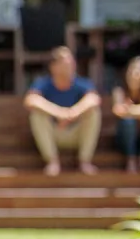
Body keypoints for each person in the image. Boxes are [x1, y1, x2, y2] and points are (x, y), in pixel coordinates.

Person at [23, 46, 103, 176]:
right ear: (53, 67)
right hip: (54, 133)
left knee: (94, 113)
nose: (70, 65)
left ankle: (84, 161)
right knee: (36, 114)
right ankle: (52, 161)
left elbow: (94, 99)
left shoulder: (82, 83)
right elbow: (31, 100)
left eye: (72, 62)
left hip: (75, 133)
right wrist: (59, 113)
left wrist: (72, 113)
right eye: (66, 62)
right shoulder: (43, 83)